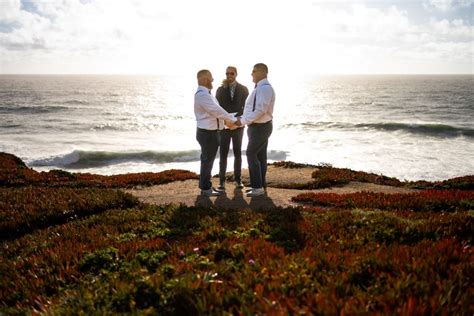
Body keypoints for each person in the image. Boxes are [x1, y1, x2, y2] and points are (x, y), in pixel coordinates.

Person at [194, 69, 240, 196]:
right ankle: (205, 188)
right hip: (207, 134)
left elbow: (217, 113)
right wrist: (233, 119)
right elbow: (216, 111)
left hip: (212, 133)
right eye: (210, 77)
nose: (213, 79)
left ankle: (206, 186)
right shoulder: (202, 95)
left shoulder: (208, 94)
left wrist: (226, 122)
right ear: (204, 79)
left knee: (208, 161)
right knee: (207, 161)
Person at [238, 63, 275, 197]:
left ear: (261, 72)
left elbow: (260, 110)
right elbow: (251, 110)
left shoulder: (265, 88)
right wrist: (241, 119)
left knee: (251, 154)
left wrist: (241, 121)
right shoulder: (259, 88)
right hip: (256, 127)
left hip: (261, 127)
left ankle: (257, 187)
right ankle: (261, 185)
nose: (251, 74)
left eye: (253, 71)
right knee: (260, 156)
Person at [215, 66, 249, 190]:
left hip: (238, 126)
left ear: (236, 74)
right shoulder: (220, 89)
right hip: (224, 126)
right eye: (227, 73)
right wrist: (225, 121)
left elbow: (247, 108)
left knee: (237, 152)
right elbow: (217, 108)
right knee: (223, 153)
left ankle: (238, 180)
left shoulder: (244, 89)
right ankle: (221, 182)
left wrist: (237, 123)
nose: (229, 75)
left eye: (232, 73)